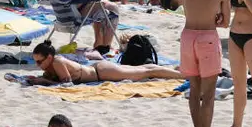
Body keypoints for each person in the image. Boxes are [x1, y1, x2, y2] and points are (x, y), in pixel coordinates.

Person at [179, 0, 230, 127]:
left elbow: (178, 2)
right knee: (208, 94)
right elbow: (225, 23)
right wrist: (216, 17)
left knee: (194, 89)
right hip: (207, 36)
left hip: (187, 36)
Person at [23, 40, 184, 85]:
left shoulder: (57, 61)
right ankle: (173, 69)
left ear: (49, 57)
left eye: (39, 62)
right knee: (143, 69)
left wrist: (43, 80)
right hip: (99, 69)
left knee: (147, 72)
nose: (38, 65)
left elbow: (67, 83)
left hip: (102, 73)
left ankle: (182, 75)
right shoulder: (52, 64)